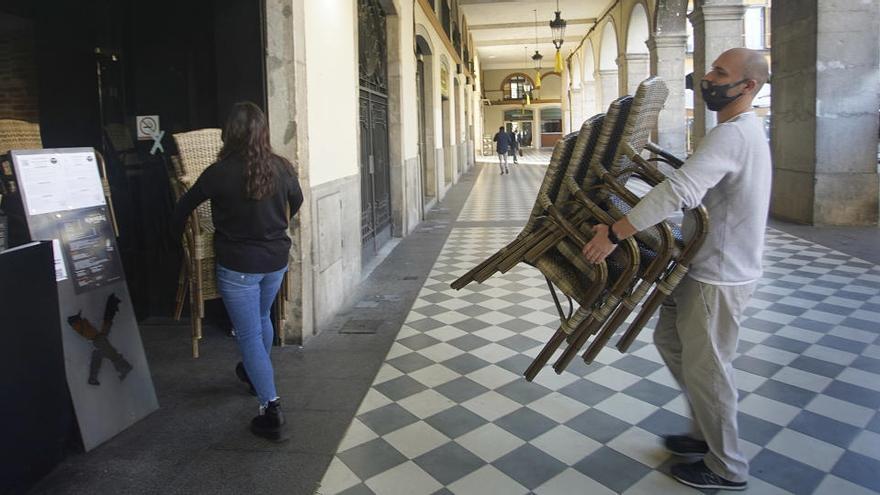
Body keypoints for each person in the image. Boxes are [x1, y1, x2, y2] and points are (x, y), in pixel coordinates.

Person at [582, 48, 771, 491]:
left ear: (748, 86)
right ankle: (702, 434)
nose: (707, 77)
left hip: (718, 274)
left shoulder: (733, 135)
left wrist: (616, 231)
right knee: (670, 340)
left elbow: (680, 191)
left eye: (720, 73)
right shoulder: (738, 131)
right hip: (703, 266)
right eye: (710, 69)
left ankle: (727, 467)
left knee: (709, 368)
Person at [171, 101, 304, 441]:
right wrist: (276, 223)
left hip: (238, 266)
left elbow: (184, 207)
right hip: (275, 260)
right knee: (261, 320)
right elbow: (298, 200)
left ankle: (270, 408)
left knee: (248, 334)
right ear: (263, 132)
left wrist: (180, 239)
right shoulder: (282, 166)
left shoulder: (219, 172)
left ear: (230, 133)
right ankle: (253, 374)